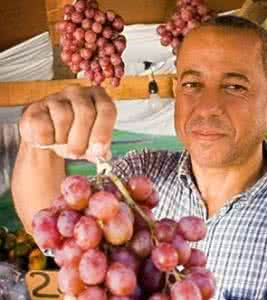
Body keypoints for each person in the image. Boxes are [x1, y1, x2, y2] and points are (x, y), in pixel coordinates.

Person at [11, 15, 267, 299]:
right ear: (176, 92)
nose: (207, 108)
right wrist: (40, 137)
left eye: (234, 86)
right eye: (192, 84)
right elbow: (48, 223)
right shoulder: (141, 173)